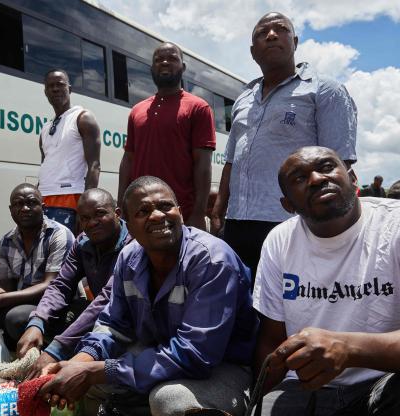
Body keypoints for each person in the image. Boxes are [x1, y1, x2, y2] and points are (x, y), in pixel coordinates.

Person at [40, 176, 258, 416]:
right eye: (143, 211)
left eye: (165, 206)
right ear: (128, 224)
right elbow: (113, 324)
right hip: (159, 355)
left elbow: (195, 354)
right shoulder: (128, 258)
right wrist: (82, 361)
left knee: (169, 402)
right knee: (88, 382)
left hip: (222, 367)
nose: (156, 216)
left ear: (180, 212)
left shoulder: (212, 260)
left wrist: (97, 371)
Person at [253, 147, 400, 416]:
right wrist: (258, 403)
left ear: (353, 177)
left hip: (386, 382)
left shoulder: (394, 225)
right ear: (288, 205)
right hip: (304, 386)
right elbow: (272, 341)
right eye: (299, 178)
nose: (317, 179)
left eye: (327, 167)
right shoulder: (279, 242)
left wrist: (348, 348)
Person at [211, 12, 358, 282]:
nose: (271, 35)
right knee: (240, 305)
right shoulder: (243, 98)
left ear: (295, 41)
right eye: (261, 33)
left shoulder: (324, 91)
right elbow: (232, 159)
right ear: (253, 52)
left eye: (281, 29)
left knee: (287, 307)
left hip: (292, 223)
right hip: (237, 224)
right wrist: (219, 210)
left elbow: (340, 163)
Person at [16, 188, 132, 375]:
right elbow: (62, 285)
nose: (92, 223)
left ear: (117, 213)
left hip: (124, 322)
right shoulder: (82, 243)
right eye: (85, 218)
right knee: (20, 320)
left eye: (100, 214)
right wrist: (37, 321)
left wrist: (57, 348)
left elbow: (107, 299)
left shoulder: (132, 246)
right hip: (95, 313)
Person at [117, 42, 216, 231]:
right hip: (140, 213)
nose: (164, 62)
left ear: (183, 67)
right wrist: (122, 206)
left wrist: (198, 213)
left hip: (180, 215)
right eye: (158, 59)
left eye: (172, 58)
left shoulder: (198, 107)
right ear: (152, 67)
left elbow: (203, 164)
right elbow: (128, 160)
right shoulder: (137, 110)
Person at [0, 183, 74, 348]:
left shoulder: (59, 235)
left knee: (16, 318)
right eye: (18, 204)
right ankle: (9, 358)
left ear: (43, 207)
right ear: (11, 209)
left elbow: (51, 285)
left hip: (57, 306)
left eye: (31, 203)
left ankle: (41, 355)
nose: (25, 208)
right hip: (22, 301)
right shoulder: (7, 240)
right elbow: (5, 286)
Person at [38, 69, 101, 230]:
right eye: (50, 86)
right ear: (45, 92)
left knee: (68, 252)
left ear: (70, 89)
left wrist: (86, 207)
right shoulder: (45, 128)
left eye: (60, 84)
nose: (55, 89)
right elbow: (45, 166)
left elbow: (94, 165)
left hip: (71, 198)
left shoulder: (83, 118)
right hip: (44, 199)